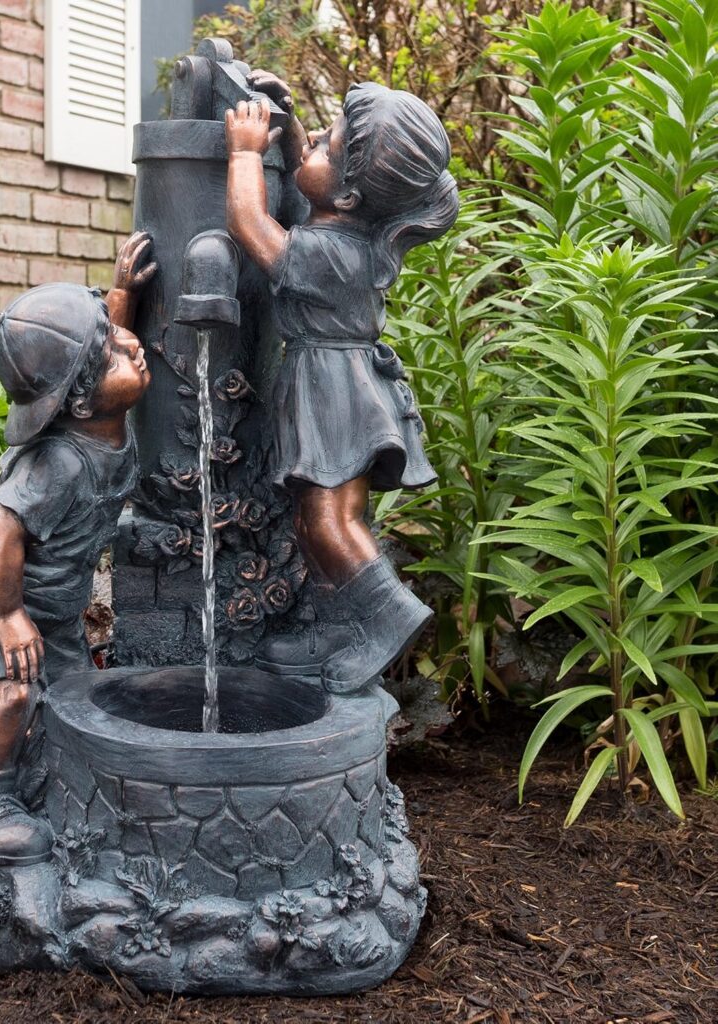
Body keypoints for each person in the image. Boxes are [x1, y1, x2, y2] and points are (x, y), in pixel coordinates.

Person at [225, 76, 458, 694]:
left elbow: (252, 225)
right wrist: (294, 121)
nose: (311, 151)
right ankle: (335, 626)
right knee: (316, 518)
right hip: (342, 386)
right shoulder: (353, 233)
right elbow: (312, 182)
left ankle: (388, 617)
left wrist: (246, 152)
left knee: (329, 521)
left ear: (350, 195)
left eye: (326, 147)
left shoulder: (332, 253)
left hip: (333, 393)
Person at [0, 233, 156, 866]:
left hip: (49, 600)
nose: (132, 344)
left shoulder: (102, 422)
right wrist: (10, 617)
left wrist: (121, 295)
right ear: (82, 398)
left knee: (73, 691)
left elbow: (97, 348)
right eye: (115, 350)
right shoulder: (61, 462)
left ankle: (48, 780)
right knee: (14, 691)